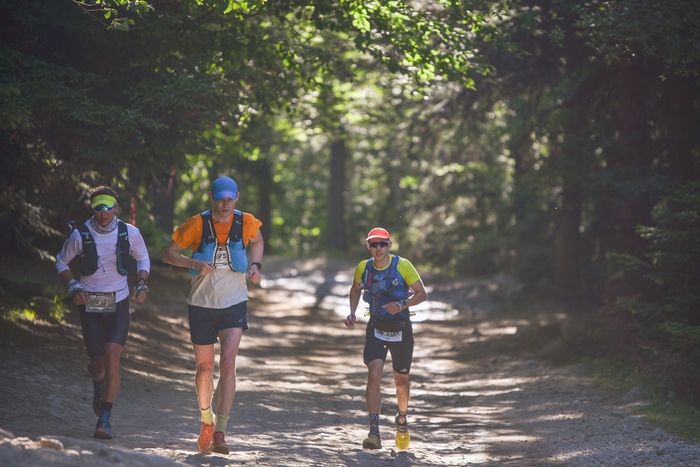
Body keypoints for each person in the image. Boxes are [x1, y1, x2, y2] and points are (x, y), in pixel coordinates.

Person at [161, 175, 264, 455]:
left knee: (228, 364)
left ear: (237, 198)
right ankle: (207, 421)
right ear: (212, 197)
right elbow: (168, 253)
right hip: (201, 304)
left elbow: (258, 240)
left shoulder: (246, 222)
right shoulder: (197, 224)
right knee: (205, 369)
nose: (225, 203)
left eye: (230, 198)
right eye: (221, 198)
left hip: (234, 302)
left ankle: (221, 431)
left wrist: (255, 265)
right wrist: (192, 262)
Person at [55, 186, 151, 439]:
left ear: (116, 207)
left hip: (119, 302)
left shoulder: (130, 233)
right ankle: (97, 381)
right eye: (99, 207)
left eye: (108, 207)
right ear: (92, 209)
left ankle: (105, 418)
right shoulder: (80, 234)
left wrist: (142, 282)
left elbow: (143, 258)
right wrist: (72, 284)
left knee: (112, 358)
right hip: (90, 303)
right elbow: (61, 261)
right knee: (97, 365)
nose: (104, 212)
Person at [345, 227, 428, 451]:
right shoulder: (364, 268)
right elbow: (355, 289)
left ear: (389, 245)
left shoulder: (403, 266)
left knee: (401, 382)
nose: (378, 248)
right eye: (374, 244)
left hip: (401, 329)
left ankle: (402, 418)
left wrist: (402, 304)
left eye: (382, 243)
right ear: (368, 246)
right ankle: (374, 431)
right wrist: (352, 313)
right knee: (374, 375)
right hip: (376, 328)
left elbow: (422, 293)